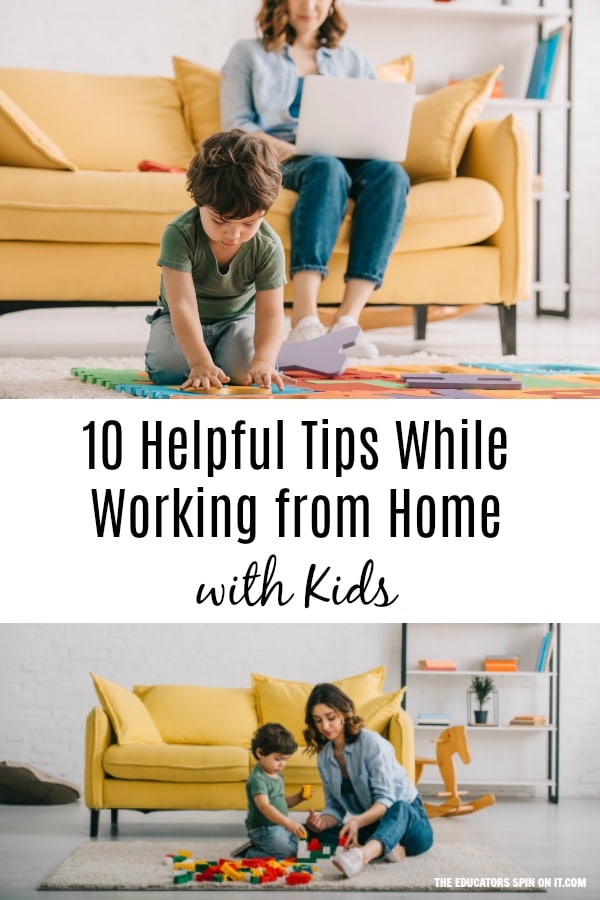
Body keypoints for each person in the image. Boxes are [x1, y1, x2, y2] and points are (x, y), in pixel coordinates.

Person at [220, 0, 411, 359]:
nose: (311, 6)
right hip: (286, 156)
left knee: (391, 174)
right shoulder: (247, 54)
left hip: (350, 153)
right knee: (325, 167)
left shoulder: (353, 60)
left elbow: (376, 117)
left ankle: (347, 323)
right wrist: (293, 150)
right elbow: (236, 124)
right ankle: (304, 321)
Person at [145, 129, 287, 391]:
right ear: (199, 202)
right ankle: (206, 357)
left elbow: (270, 315)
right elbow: (183, 306)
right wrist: (199, 362)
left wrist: (265, 360)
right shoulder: (180, 234)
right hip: (180, 318)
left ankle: (220, 357)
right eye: (220, 221)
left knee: (247, 371)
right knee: (168, 370)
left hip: (237, 319)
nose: (233, 234)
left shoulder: (268, 245)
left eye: (249, 223)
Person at [303, 683, 433, 879]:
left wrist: (355, 821)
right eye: (318, 721)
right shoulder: (324, 757)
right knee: (309, 833)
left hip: (410, 824)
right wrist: (321, 822)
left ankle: (361, 856)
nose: (325, 727)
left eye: (330, 718)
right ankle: (386, 847)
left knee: (399, 807)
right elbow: (334, 809)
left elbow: (386, 801)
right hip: (373, 825)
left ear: (343, 713)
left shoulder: (371, 743)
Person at [243, 722, 312, 859]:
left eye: (285, 760)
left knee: (301, 846)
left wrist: (299, 797)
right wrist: (288, 823)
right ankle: (248, 852)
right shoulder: (258, 779)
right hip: (263, 830)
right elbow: (265, 806)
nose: (282, 764)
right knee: (287, 854)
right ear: (260, 753)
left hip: (279, 826)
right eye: (277, 759)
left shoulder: (277, 774)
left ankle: (269, 847)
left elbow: (280, 802)